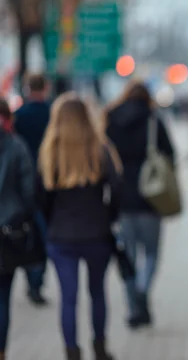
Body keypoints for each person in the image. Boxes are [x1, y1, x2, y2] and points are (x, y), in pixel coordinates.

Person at [38, 93, 120, 360]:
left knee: (68, 298)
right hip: (97, 232)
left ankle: (72, 352)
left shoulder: (50, 152)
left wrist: (51, 223)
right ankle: (100, 348)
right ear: (87, 118)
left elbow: (41, 198)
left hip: (61, 236)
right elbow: (117, 190)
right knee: (97, 292)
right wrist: (109, 217)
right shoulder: (101, 149)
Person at [105, 80, 175, 329]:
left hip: (122, 199)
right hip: (151, 198)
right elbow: (170, 155)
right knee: (152, 253)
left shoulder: (111, 120)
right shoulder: (153, 120)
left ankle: (134, 305)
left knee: (130, 255)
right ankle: (143, 292)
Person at [0, 98, 36, 360]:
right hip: (7, 230)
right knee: (2, 297)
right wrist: (21, 216)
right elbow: (29, 190)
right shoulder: (15, 145)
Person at [13, 73, 51, 306]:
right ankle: (36, 280)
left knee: (30, 232)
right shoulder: (53, 113)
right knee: (44, 233)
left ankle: (31, 275)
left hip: (23, 182)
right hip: (47, 181)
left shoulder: (20, 116)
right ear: (45, 87)